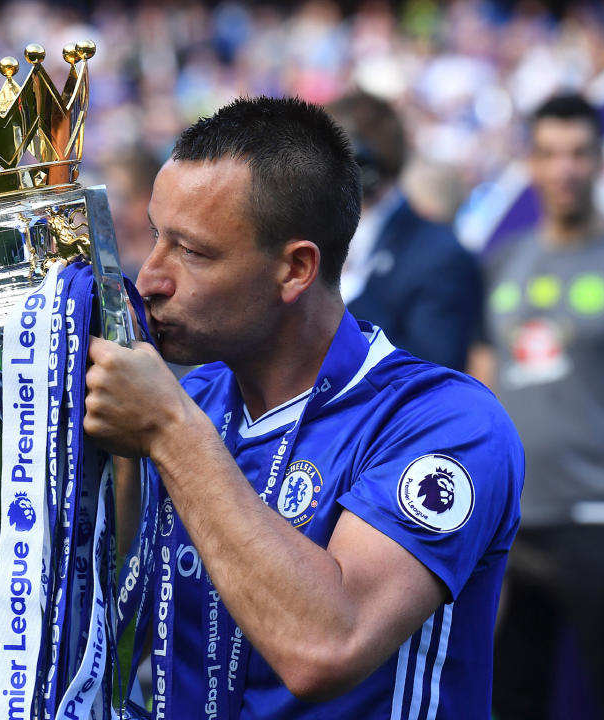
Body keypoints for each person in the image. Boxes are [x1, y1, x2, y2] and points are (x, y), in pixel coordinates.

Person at [84, 97, 524, 718]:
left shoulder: (445, 424)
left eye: (192, 251)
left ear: (295, 269)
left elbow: (326, 646)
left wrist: (169, 433)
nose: (151, 276)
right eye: (157, 236)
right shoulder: (192, 400)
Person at [469, 94, 604, 719]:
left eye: (577, 154)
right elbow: (480, 389)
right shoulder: (502, 264)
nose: (563, 169)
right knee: (510, 698)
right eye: (548, 154)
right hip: (513, 525)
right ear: (532, 162)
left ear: (601, 161)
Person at [329, 91, 481, 371]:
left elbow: (432, 368)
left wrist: (342, 297)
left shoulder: (439, 254)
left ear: (363, 165)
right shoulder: (311, 239)